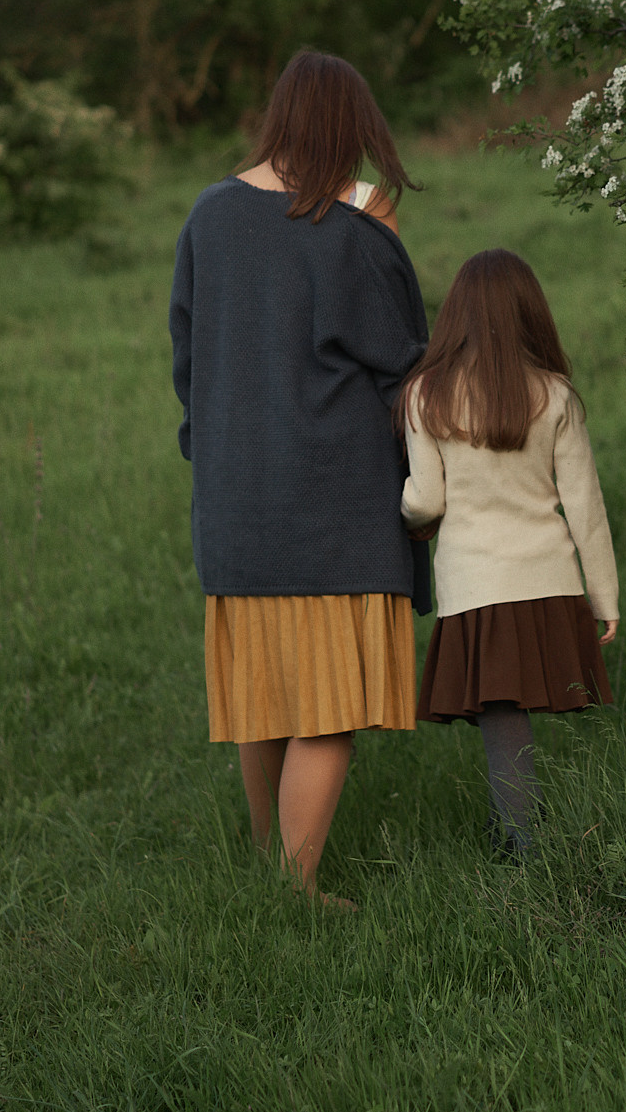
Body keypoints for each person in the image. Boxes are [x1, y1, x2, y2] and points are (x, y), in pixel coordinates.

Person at [168, 50, 431, 909]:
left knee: (265, 696)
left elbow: (189, 359)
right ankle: (295, 886)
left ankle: (267, 865)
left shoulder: (208, 216)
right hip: (336, 507)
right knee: (327, 706)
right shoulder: (361, 216)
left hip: (237, 501)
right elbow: (403, 363)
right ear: (351, 125)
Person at [398, 249, 620, 856]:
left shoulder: (426, 395)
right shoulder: (556, 396)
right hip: (549, 581)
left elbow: (426, 499)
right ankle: (516, 832)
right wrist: (605, 597)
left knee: (500, 713)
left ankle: (524, 848)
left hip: (476, 586)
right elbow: (586, 506)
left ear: (456, 315)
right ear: (531, 312)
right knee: (507, 712)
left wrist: (407, 517)